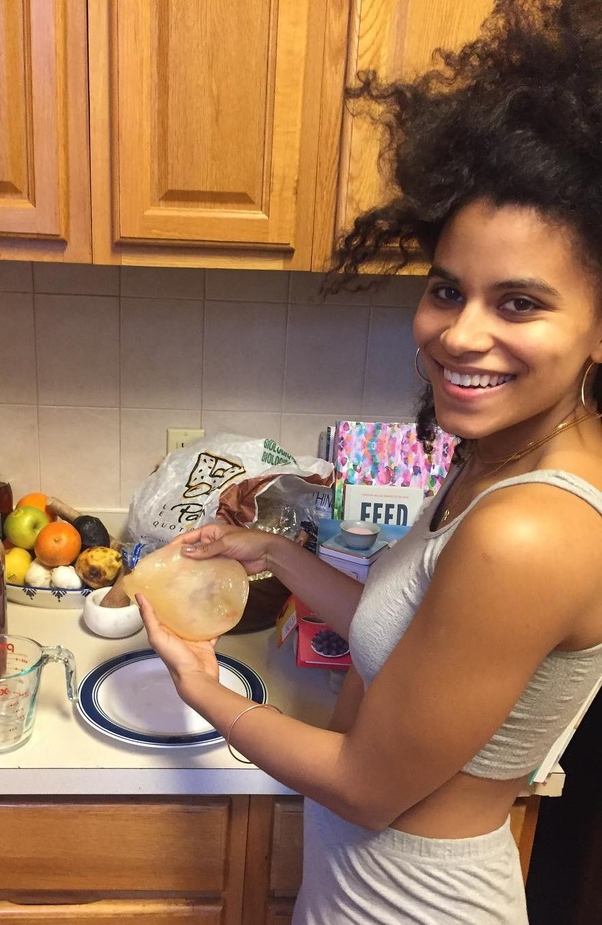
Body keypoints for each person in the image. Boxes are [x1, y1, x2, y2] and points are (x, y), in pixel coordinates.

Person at [135, 1, 602, 922]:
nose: (461, 332)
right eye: (445, 289)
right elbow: (416, 643)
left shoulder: (533, 527)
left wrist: (201, 688)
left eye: (518, 303)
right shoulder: (496, 461)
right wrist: (276, 557)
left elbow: (365, 785)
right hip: (368, 889)